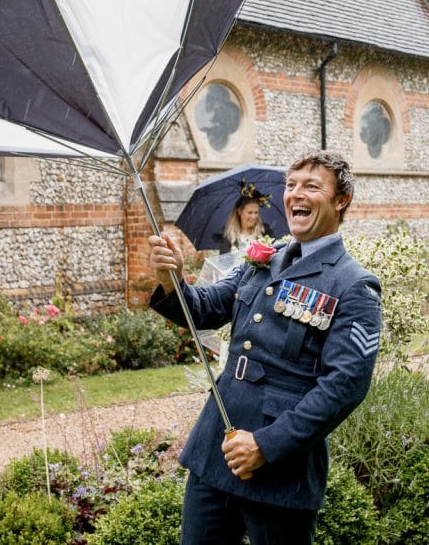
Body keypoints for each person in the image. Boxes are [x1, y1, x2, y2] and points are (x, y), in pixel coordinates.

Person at [148, 150, 382, 544]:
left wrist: (264, 445)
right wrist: (172, 280)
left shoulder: (354, 285)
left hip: (279, 466)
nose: (296, 195)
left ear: (341, 200)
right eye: (291, 185)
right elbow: (204, 309)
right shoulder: (263, 261)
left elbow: (344, 386)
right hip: (217, 446)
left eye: (312, 186)